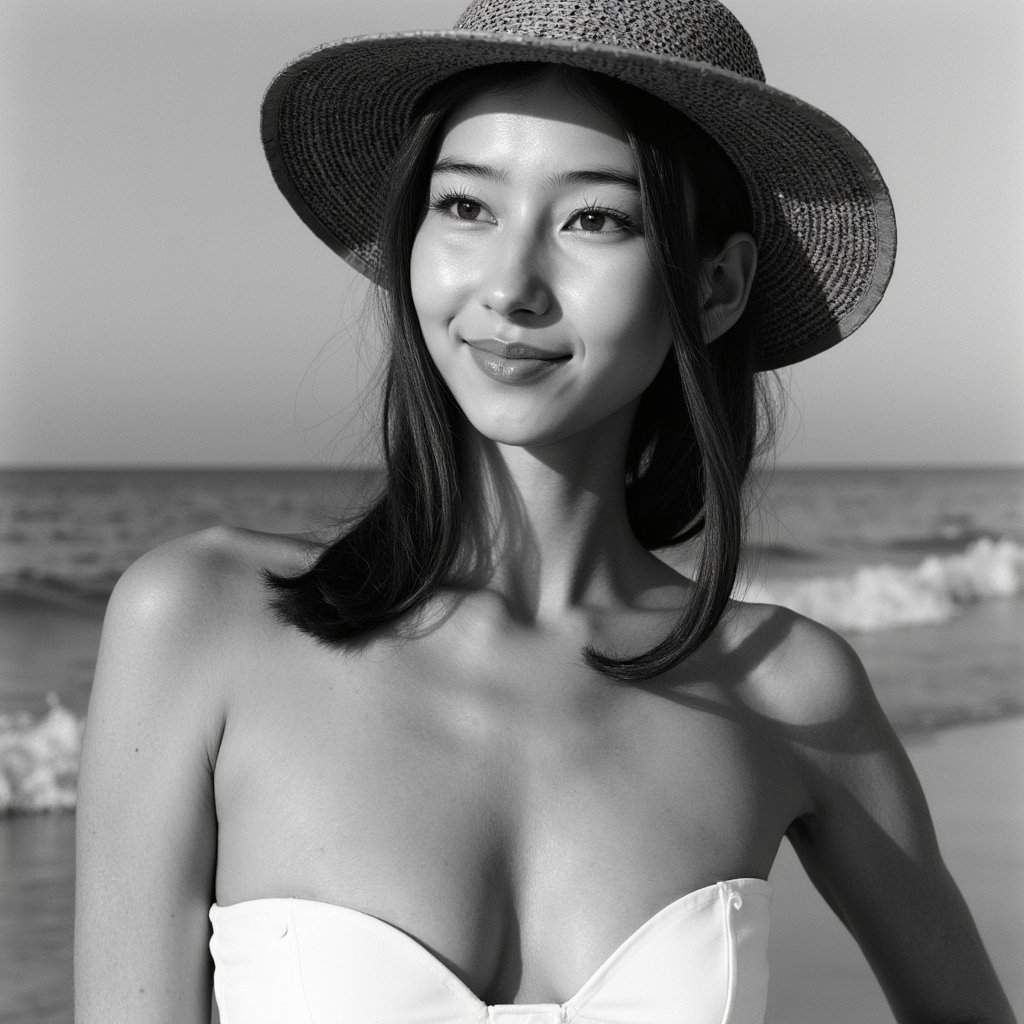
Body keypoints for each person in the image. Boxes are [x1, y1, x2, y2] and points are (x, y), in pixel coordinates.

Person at [74, 1, 1015, 1022]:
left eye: (594, 219)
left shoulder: (785, 690)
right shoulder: (199, 622)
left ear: (715, 285)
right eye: (466, 207)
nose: (511, 285)